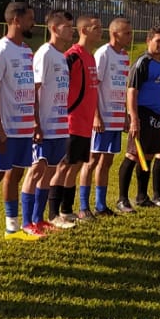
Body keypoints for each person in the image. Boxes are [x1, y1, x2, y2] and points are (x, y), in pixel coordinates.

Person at [0, 2, 40, 241]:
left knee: (15, 174)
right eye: (30, 18)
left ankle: (11, 227)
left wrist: (34, 121)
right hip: (6, 125)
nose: (33, 23)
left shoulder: (27, 51)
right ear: (16, 20)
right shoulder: (1, 49)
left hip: (24, 127)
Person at [25, 10, 75, 234]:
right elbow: (34, 91)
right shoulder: (44, 54)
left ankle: (39, 218)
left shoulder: (62, 57)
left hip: (59, 126)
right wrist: (35, 123)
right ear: (54, 28)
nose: (71, 31)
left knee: (50, 171)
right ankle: (27, 222)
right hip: (44, 125)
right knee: (37, 169)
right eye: (67, 26)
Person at [114, 26, 160, 213]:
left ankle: (142, 196)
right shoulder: (142, 63)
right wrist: (134, 118)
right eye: (157, 40)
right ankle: (122, 199)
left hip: (155, 117)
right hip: (142, 115)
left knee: (148, 156)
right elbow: (131, 92)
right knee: (132, 154)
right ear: (148, 41)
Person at [83, 17, 131, 216]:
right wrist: (95, 116)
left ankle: (101, 205)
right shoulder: (103, 54)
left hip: (116, 119)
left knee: (107, 161)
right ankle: (84, 207)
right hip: (101, 119)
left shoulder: (125, 56)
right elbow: (94, 86)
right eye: (126, 33)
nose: (130, 36)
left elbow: (124, 86)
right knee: (92, 160)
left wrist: (126, 115)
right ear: (114, 33)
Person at [60, 13, 101, 221]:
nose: (101, 32)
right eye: (97, 28)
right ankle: (53, 212)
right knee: (64, 166)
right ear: (84, 30)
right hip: (73, 121)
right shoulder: (72, 55)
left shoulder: (90, 56)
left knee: (74, 167)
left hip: (85, 124)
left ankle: (67, 210)